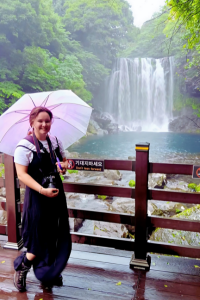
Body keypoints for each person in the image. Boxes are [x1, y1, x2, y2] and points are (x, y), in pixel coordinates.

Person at [13, 106, 71, 292]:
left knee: (54, 234)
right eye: (40, 121)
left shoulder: (54, 141)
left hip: (55, 193)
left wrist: (63, 166)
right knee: (38, 236)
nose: (44, 124)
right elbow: (21, 175)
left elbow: (64, 162)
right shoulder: (25, 145)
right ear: (32, 122)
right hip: (38, 196)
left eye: (47, 121)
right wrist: (41, 190)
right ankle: (22, 267)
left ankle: (48, 274)